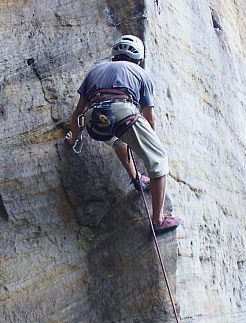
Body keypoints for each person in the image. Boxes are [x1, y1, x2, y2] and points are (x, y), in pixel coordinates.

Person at [66, 35, 180, 233]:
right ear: (138, 59)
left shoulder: (95, 70)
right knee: (159, 160)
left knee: (118, 140)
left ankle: (136, 178)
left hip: (95, 119)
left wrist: (73, 139)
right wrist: (146, 145)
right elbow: (149, 117)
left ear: (114, 55)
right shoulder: (140, 73)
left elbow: (77, 114)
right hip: (122, 112)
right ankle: (158, 220)